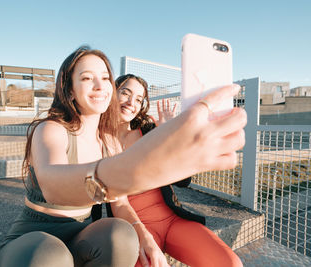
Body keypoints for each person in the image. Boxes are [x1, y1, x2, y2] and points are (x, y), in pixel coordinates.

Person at [0, 45, 247, 267]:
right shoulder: (51, 129)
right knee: (48, 255)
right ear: (69, 90)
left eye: (105, 77)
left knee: (121, 234)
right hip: (36, 234)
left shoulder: (111, 141)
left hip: (82, 234)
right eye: (87, 78)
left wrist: (144, 236)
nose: (99, 85)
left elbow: (122, 204)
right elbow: (53, 186)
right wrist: (145, 169)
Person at [99, 74, 243, 267]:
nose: (131, 102)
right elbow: (117, 202)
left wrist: (173, 141)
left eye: (139, 99)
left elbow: (183, 181)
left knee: (230, 263)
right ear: (111, 93)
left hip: (173, 220)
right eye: (125, 93)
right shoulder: (98, 139)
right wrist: (144, 236)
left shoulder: (149, 129)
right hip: (134, 227)